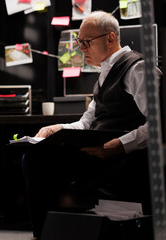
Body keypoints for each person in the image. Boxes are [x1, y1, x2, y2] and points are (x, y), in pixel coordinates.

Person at [22, 11, 162, 239]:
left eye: (86, 42)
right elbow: (88, 122)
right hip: (101, 153)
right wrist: (60, 128)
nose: (81, 48)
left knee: (38, 161)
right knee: (38, 152)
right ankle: (54, 231)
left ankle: (44, 234)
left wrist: (118, 145)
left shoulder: (138, 69)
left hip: (124, 158)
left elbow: (158, 124)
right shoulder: (104, 75)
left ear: (110, 38)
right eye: (79, 42)